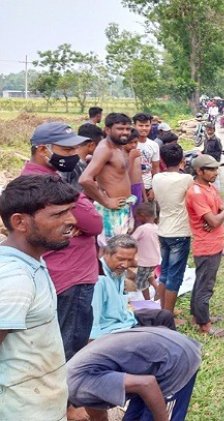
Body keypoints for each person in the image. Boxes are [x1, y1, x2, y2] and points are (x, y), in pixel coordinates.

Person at [20, 122, 103, 362]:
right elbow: (94, 224)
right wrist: (79, 219)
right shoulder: (50, 185)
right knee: (68, 348)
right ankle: (67, 398)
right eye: (65, 150)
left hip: (60, 273)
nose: (72, 155)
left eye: (73, 150)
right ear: (42, 150)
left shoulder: (34, 179)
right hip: (70, 276)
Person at [0, 175, 79, 420]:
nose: (72, 221)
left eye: (70, 211)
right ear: (20, 222)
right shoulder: (16, 278)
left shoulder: (32, 261)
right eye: (58, 215)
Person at [67, 327, 201, 421]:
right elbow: (97, 414)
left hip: (175, 360)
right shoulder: (69, 382)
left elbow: (147, 385)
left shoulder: (78, 386)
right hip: (150, 361)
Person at [91, 235, 175, 340]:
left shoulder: (118, 271)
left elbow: (135, 265)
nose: (125, 265)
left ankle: (173, 346)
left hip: (125, 319)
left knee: (165, 316)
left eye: (129, 260)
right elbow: (92, 324)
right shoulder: (98, 280)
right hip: (111, 330)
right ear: (106, 253)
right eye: (121, 259)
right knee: (152, 338)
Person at [185, 155, 224, 337]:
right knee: (206, 286)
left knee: (201, 283)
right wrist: (219, 215)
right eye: (211, 169)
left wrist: (219, 215)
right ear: (199, 171)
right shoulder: (196, 193)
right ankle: (205, 325)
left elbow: (221, 212)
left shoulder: (209, 188)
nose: (216, 172)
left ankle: (198, 317)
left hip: (215, 243)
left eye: (216, 169)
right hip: (206, 246)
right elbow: (215, 219)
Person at [80, 113, 136, 244]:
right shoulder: (105, 149)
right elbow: (84, 179)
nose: (125, 132)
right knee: (112, 251)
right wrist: (106, 202)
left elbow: (119, 174)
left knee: (121, 250)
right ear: (107, 130)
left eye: (128, 129)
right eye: (120, 129)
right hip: (111, 210)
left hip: (123, 206)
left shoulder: (119, 147)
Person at [151, 143, 192, 314]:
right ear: (182, 160)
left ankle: (163, 311)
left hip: (163, 229)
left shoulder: (157, 178)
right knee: (175, 277)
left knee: (165, 273)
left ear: (162, 160)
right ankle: (168, 318)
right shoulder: (186, 179)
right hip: (180, 231)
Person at [131, 203, 160, 301]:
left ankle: (147, 300)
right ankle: (157, 288)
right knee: (149, 276)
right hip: (155, 260)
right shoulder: (156, 227)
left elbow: (131, 241)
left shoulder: (142, 229)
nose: (137, 219)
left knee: (142, 283)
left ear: (143, 215)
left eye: (137, 216)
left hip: (144, 262)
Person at [61, 123, 103, 190]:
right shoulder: (76, 166)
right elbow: (76, 193)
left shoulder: (69, 160)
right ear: (91, 145)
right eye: (99, 145)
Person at [133, 112, 160, 201]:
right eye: (140, 125)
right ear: (134, 126)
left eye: (147, 125)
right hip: (132, 186)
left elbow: (156, 168)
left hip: (148, 187)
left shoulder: (154, 145)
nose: (144, 128)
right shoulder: (128, 145)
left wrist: (154, 189)